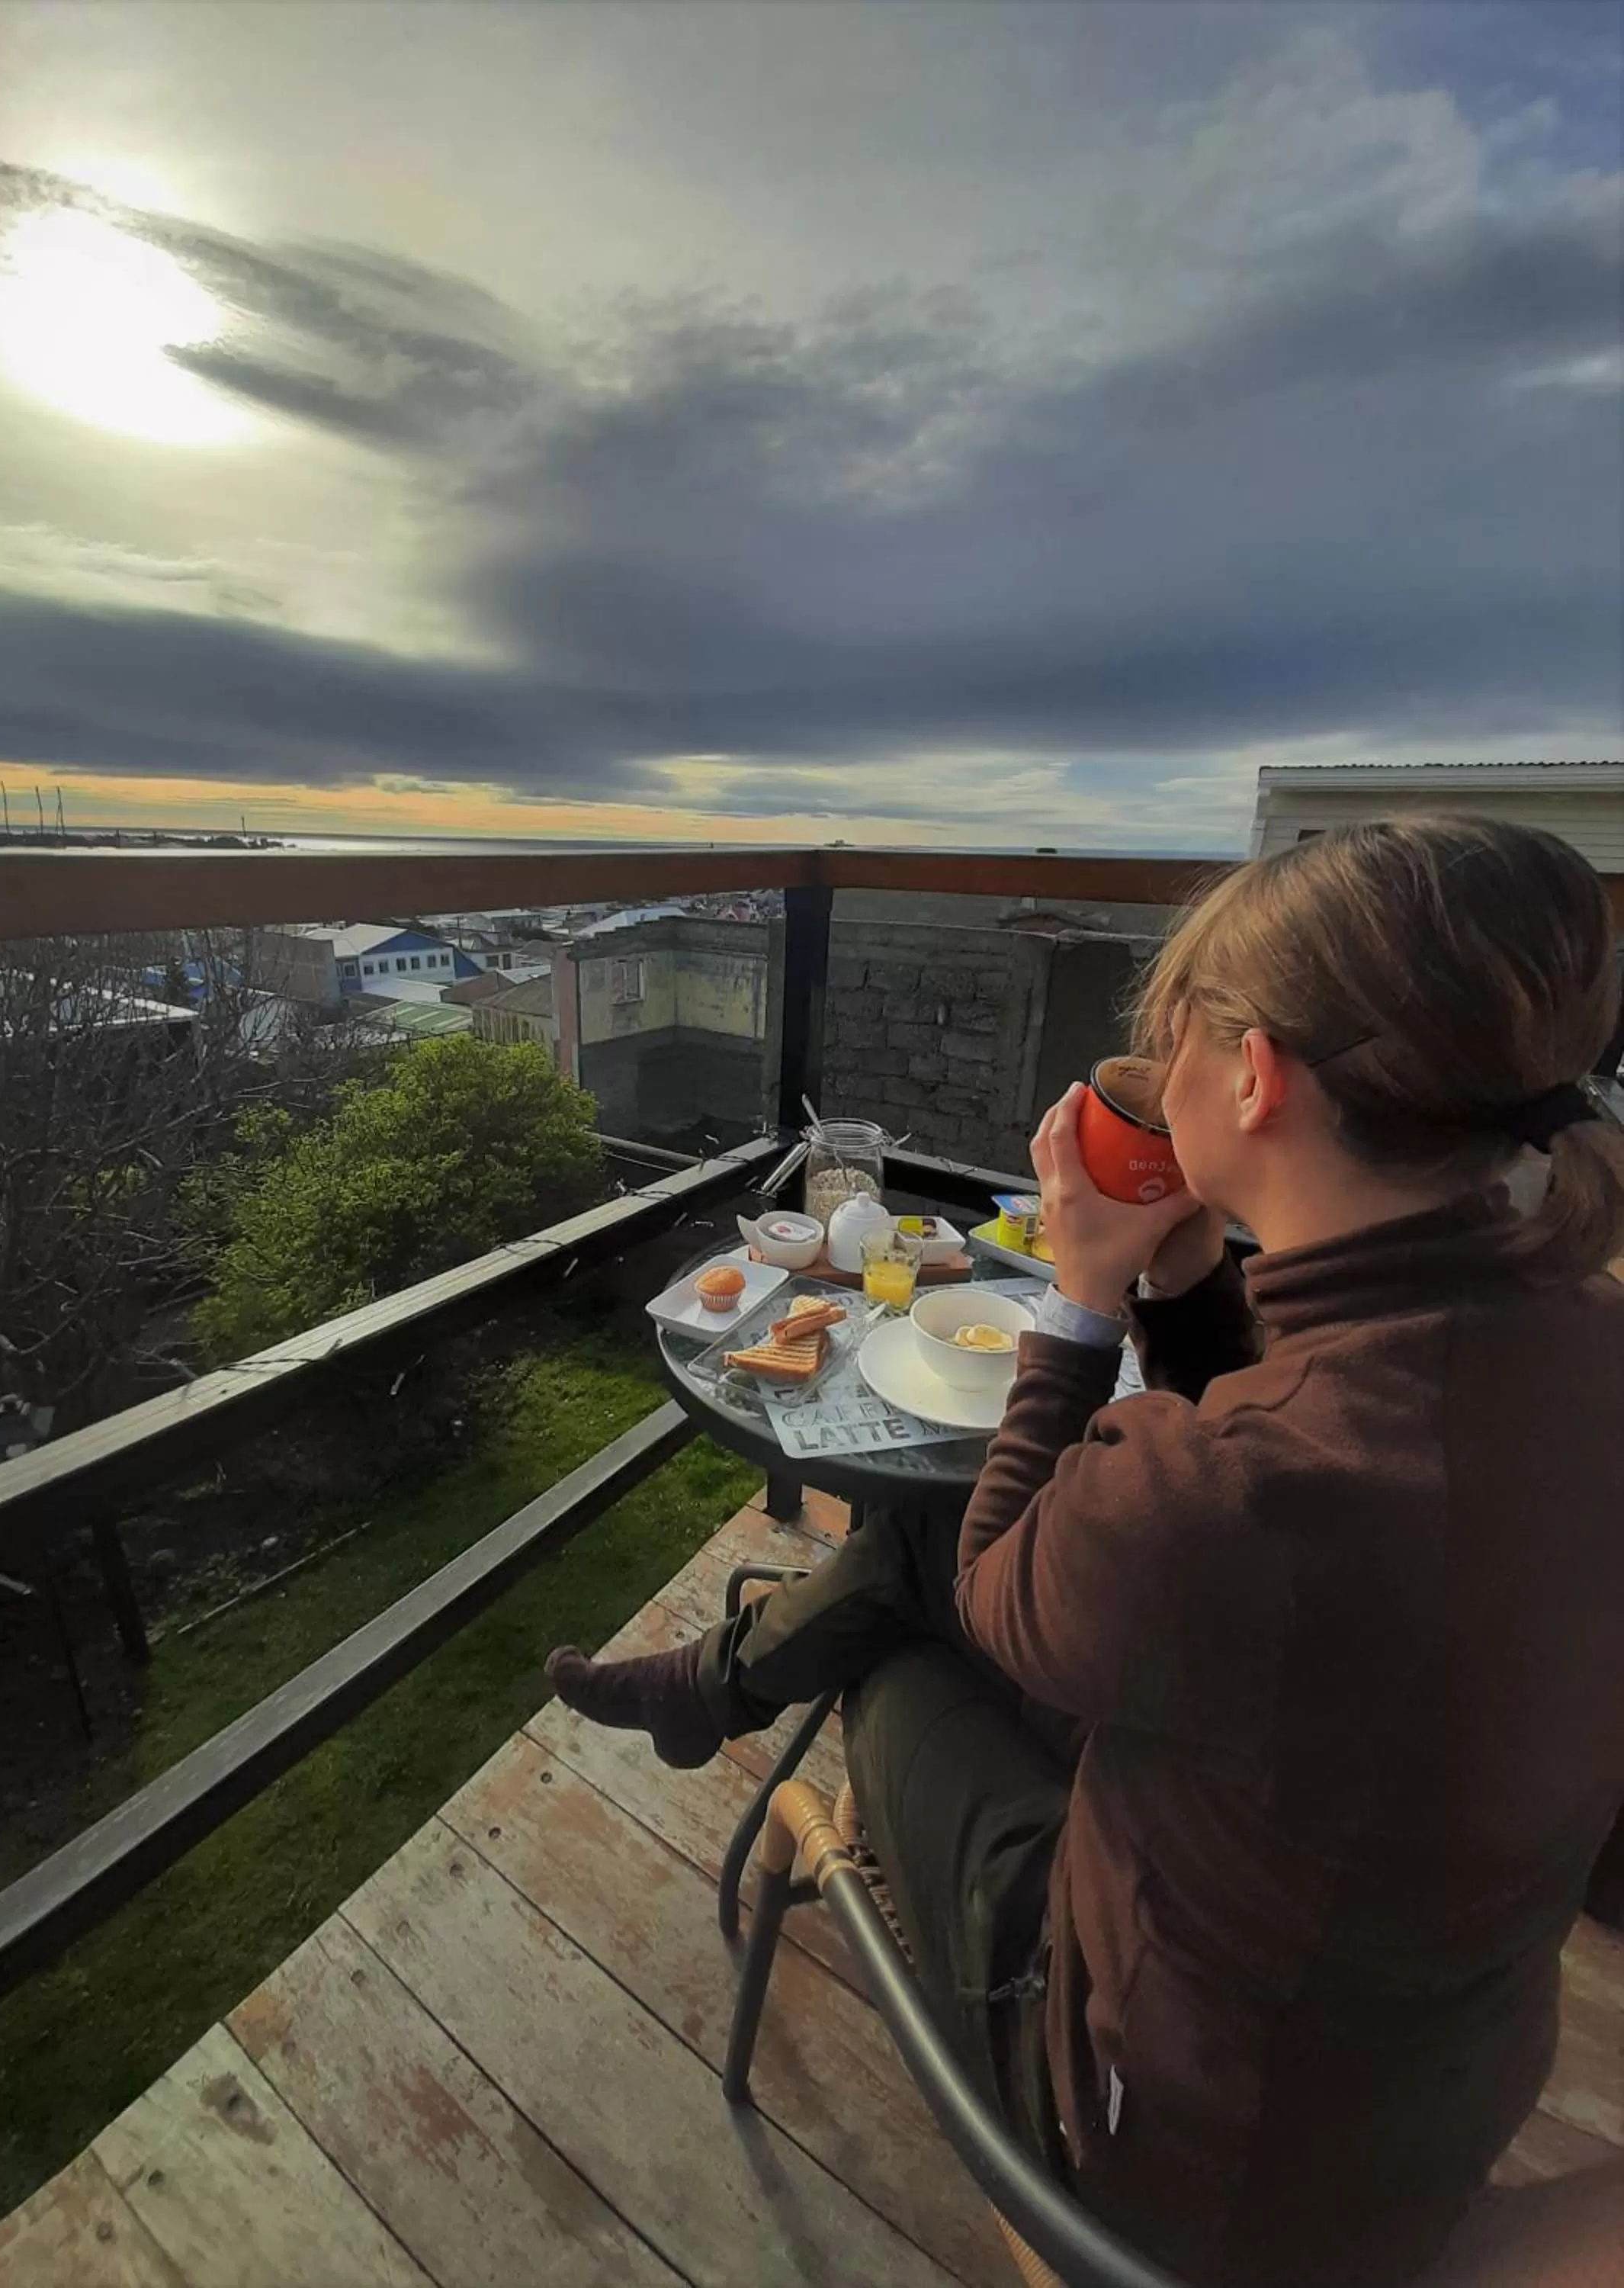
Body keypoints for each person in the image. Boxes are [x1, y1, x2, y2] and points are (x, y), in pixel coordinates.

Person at [547, 816, 1624, 2288]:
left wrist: (1078, 1299)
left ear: (1251, 1077)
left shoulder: (1224, 1488)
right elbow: (1294, 1513)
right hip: (1418, 2070)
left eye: (1171, 1039)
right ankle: (710, 1685)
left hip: (1154, 2145)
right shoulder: (1564, 1342)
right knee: (932, 1552)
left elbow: (1015, 1586)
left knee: (924, 1592)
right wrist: (1181, 1295)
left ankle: (722, 1692)